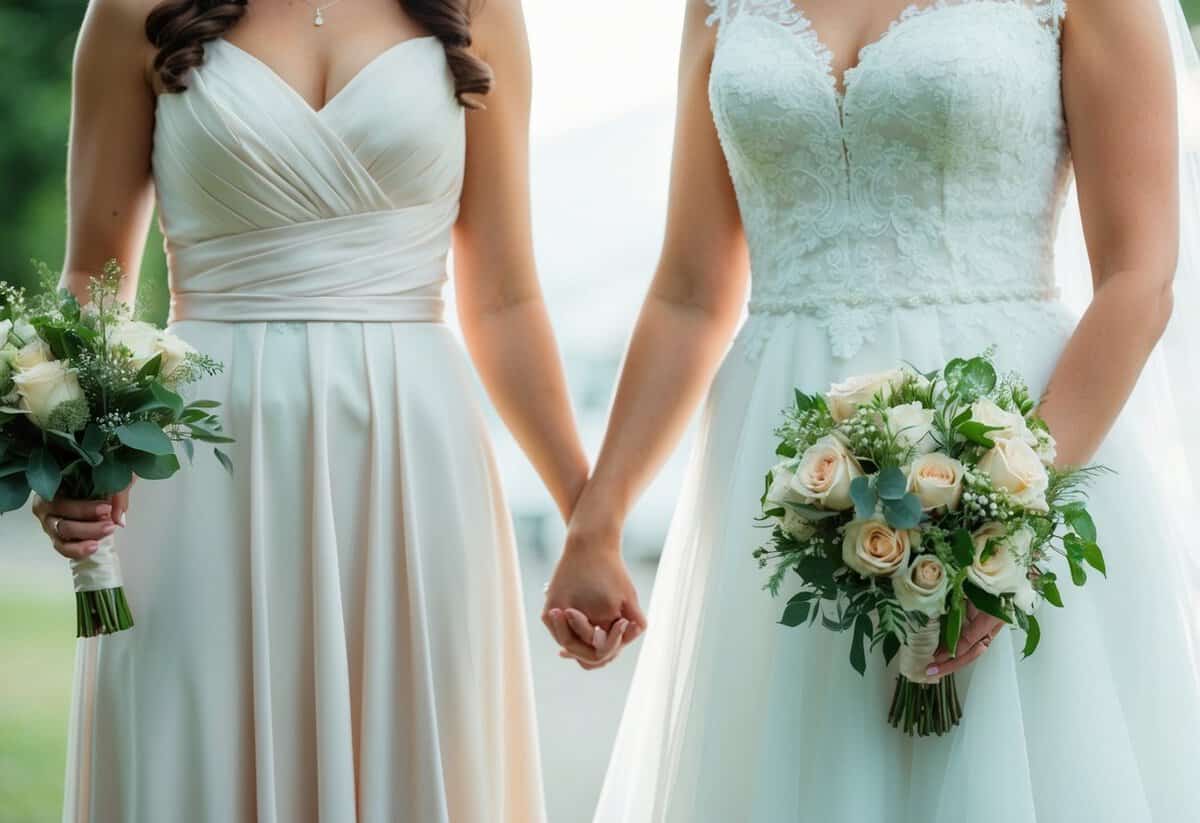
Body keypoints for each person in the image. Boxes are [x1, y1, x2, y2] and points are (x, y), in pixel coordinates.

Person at [544, 0, 1200, 820]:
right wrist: (595, 522)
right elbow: (689, 292)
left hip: (1015, 449)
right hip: (774, 479)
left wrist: (1009, 514)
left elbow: (1140, 278)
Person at [35, 0, 592, 820]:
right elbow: (94, 276)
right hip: (202, 457)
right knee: (192, 750)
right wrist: (74, 454)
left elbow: (505, 299)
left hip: (412, 452)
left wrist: (590, 521)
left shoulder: (477, 10)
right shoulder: (133, 10)